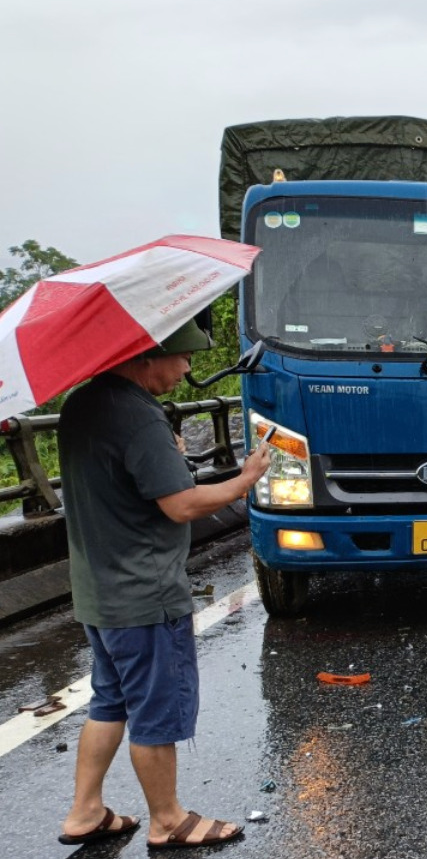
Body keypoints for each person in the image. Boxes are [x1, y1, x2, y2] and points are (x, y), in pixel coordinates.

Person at [56, 319, 272, 849]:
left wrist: (165, 453)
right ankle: (168, 820)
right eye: (182, 359)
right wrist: (244, 480)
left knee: (109, 702)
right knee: (156, 711)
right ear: (148, 356)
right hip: (144, 594)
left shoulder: (83, 403)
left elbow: (123, 476)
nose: (187, 370)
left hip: (98, 589)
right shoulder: (137, 418)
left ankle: (85, 811)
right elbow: (180, 505)